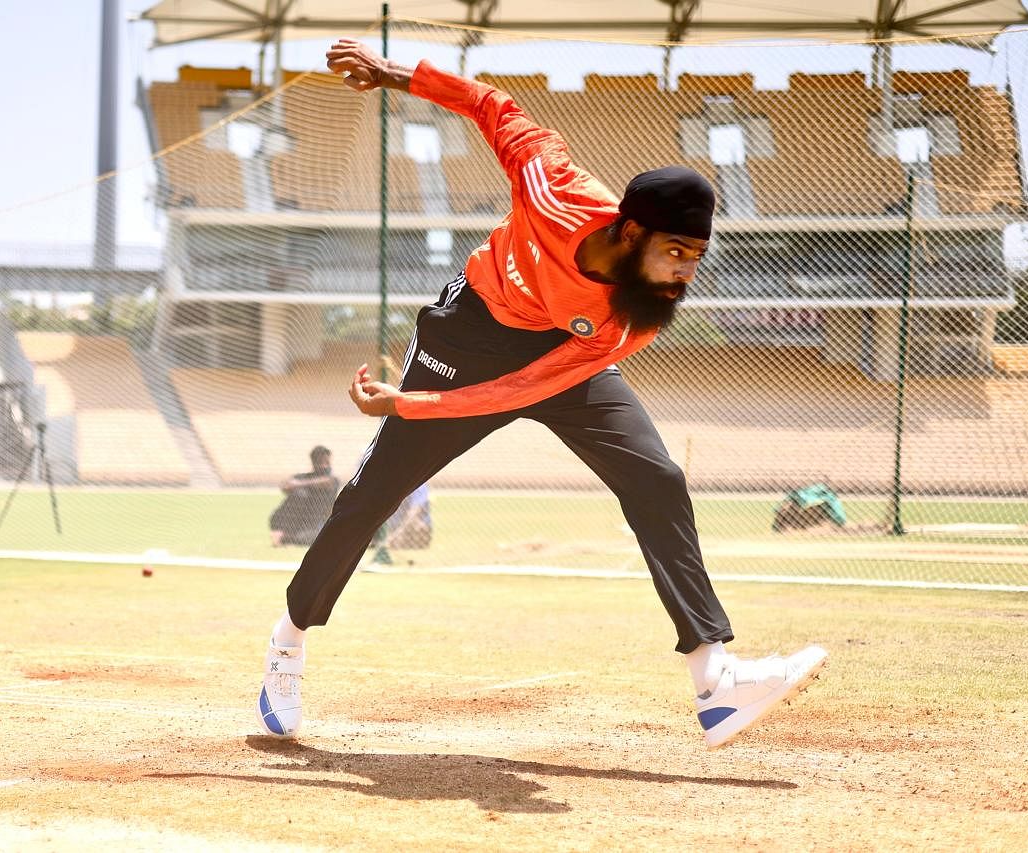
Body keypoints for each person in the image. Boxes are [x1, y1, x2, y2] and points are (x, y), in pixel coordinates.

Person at [257, 39, 827, 749]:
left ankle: (716, 682)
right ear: (629, 230)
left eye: (696, 257)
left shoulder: (630, 317)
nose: (685, 272)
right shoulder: (551, 184)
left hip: (556, 357)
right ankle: (289, 639)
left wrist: (412, 404)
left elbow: (526, 387)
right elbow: (489, 103)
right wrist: (394, 74)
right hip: (465, 335)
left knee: (655, 475)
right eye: (675, 252)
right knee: (371, 495)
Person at [268, 446, 340, 547]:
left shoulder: (332, 480)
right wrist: (295, 484)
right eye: (322, 462)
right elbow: (285, 485)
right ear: (314, 462)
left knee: (320, 538)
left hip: (318, 523)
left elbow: (327, 482)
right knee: (299, 495)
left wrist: (298, 484)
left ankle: (284, 538)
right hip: (298, 521)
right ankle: (284, 534)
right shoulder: (303, 477)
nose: (326, 466)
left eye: (327, 462)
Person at [383, 482, 431, 550]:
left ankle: (403, 539)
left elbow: (415, 512)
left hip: (409, 526)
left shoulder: (420, 485)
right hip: (396, 526)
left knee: (417, 524)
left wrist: (397, 534)